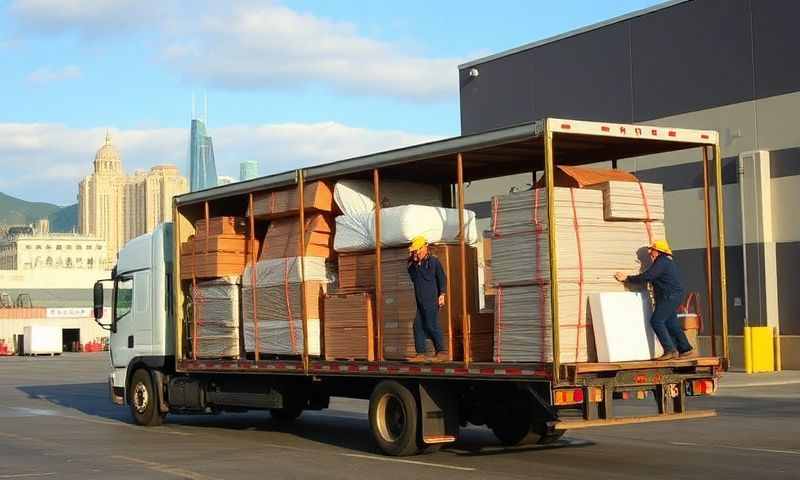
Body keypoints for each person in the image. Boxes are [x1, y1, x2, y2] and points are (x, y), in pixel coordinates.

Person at [614, 239, 696, 361]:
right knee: (671, 323)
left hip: (669, 296)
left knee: (656, 321)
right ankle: (685, 349)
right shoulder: (665, 262)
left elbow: (648, 276)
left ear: (658, 251)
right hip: (671, 296)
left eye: (652, 250)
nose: (650, 252)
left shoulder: (661, 261)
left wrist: (627, 278)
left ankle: (670, 350)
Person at [406, 236, 448, 362]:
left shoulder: (433, 262)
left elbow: (442, 278)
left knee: (431, 324)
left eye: (417, 250)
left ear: (424, 248)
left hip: (431, 300)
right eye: (414, 251)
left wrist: (442, 294)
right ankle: (421, 354)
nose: (415, 252)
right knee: (417, 326)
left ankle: (441, 352)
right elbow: (413, 277)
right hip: (420, 300)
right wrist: (414, 262)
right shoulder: (413, 265)